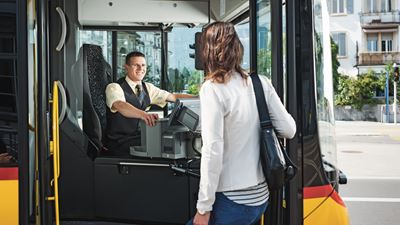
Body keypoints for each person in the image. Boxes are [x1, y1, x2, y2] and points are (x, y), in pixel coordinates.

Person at [188, 22, 296, 225]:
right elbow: (289, 129)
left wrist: (203, 207)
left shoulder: (212, 88)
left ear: (209, 51)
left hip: (233, 200)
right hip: (261, 197)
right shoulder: (259, 82)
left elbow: (212, 151)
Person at [105, 51, 192, 156]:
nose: (140, 69)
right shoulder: (114, 87)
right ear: (126, 67)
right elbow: (120, 105)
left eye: (143, 65)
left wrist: (199, 97)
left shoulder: (148, 88)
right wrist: (143, 114)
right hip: (120, 142)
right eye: (136, 65)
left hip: (140, 138)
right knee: (163, 145)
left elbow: (173, 97)